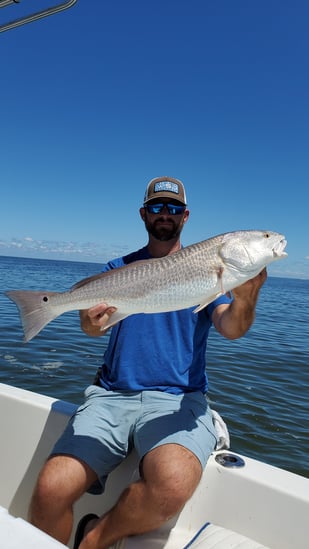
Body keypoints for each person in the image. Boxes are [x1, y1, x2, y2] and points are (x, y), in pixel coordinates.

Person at [29, 176, 267, 549]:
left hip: (179, 399)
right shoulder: (118, 267)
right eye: (157, 207)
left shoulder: (216, 274)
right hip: (111, 396)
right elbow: (94, 328)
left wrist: (247, 297)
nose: (164, 215)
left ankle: (93, 538)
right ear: (144, 213)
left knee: (171, 485)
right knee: (49, 489)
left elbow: (231, 327)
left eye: (173, 209)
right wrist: (87, 320)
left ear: (185, 216)